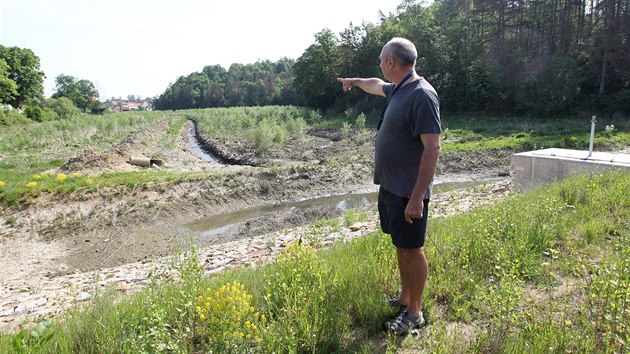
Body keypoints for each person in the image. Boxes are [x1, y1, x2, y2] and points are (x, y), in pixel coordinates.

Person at [337, 37, 441, 336]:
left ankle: (415, 313)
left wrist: (418, 197)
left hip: (409, 191)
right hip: (392, 187)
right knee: (401, 245)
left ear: (392, 62)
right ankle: (405, 299)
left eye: (382, 60)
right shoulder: (398, 88)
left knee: (413, 249)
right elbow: (374, 84)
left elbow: (432, 148)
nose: (380, 65)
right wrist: (355, 81)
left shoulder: (422, 95)